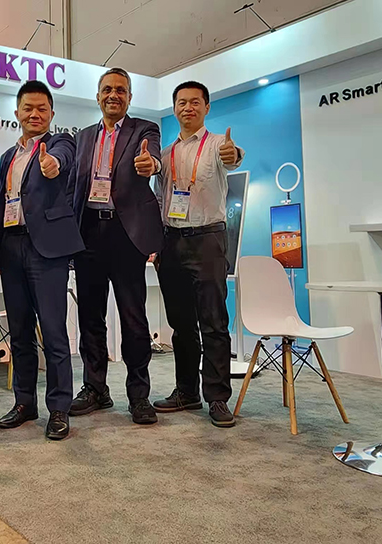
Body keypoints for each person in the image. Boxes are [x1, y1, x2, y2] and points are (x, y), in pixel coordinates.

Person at [69, 68, 164, 425]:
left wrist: (150, 164)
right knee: (90, 317)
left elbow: (153, 158)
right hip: (89, 234)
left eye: (121, 90)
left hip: (127, 236)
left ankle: (139, 395)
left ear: (129, 97)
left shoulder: (144, 130)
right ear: (97, 96)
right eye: (107, 89)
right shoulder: (82, 137)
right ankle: (95, 388)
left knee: (133, 318)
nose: (113, 95)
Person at [0, 80, 83, 440]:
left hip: (46, 251)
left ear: (51, 113)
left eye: (41, 109)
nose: (34, 114)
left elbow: (62, 160)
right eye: (28, 108)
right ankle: (24, 402)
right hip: (11, 247)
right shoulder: (7, 157)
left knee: (54, 332)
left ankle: (59, 408)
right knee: (20, 332)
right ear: (17, 113)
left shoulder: (61, 143)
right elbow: (2, 202)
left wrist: (51, 164)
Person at [153, 81, 244, 428]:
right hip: (171, 241)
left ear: (206, 107)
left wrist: (233, 154)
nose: (187, 108)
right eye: (181, 102)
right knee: (181, 324)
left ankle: (217, 397)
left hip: (207, 240)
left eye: (195, 102)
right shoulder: (165, 155)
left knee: (214, 321)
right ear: (174, 108)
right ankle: (187, 391)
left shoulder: (219, 144)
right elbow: (159, 198)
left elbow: (233, 157)